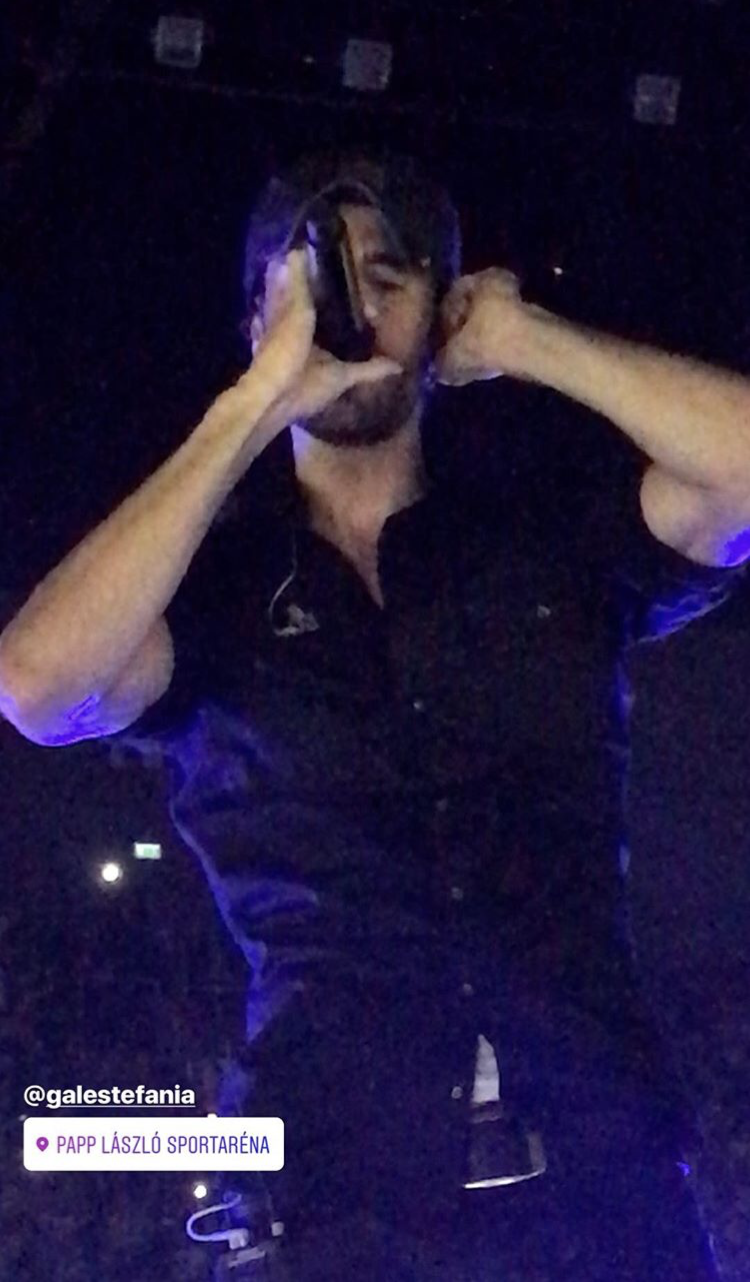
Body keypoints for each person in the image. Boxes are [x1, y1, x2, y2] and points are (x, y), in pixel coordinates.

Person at [2, 144, 750, 1280]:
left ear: (440, 310)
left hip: (602, 1189)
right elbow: (35, 684)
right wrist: (252, 408)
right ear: (261, 324)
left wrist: (526, 340)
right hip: (338, 1205)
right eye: (318, 284)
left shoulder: (542, 539)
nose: (356, 307)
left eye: (390, 275)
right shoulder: (212, 597)